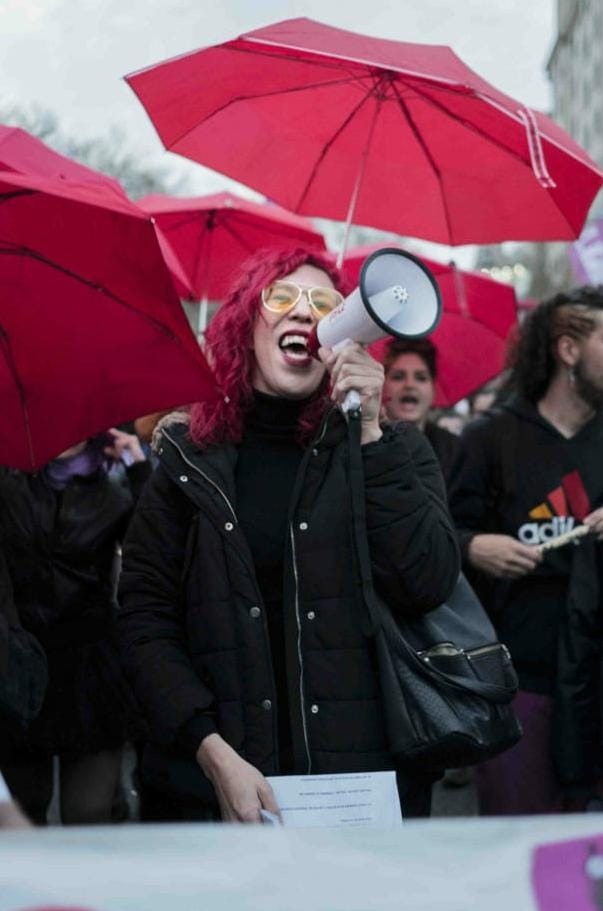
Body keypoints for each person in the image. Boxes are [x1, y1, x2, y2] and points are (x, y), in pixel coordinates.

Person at [118, 247, 461, 823]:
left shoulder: (392, 447)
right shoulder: (189, 458)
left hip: (356, 792)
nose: (304, 313)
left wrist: (371, 433)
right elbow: (143, 619)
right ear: (246, 325)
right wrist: (211, 752)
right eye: (281, 298)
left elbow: (425, 581)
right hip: (211, 787)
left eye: (323, 303)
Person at [449, 286, 603, 815]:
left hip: (596, 678)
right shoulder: (488, 439)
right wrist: (472, 546)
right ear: (568, 350)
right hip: (521, 683)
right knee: (522, 849)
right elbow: (431, 543)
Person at [0, 428, 150, 825]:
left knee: (90, 816)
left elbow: (154, 547)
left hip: (90, 671)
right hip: (20, 667)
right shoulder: (10, 479)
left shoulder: (116, 487)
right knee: (22, 811)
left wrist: (139, 469)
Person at [380, 337, 464, 489]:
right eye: (398, 377)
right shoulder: (364, 445)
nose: (409, 385)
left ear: (433, 389)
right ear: (382, 386)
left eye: (421, 378)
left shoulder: (455, 452)